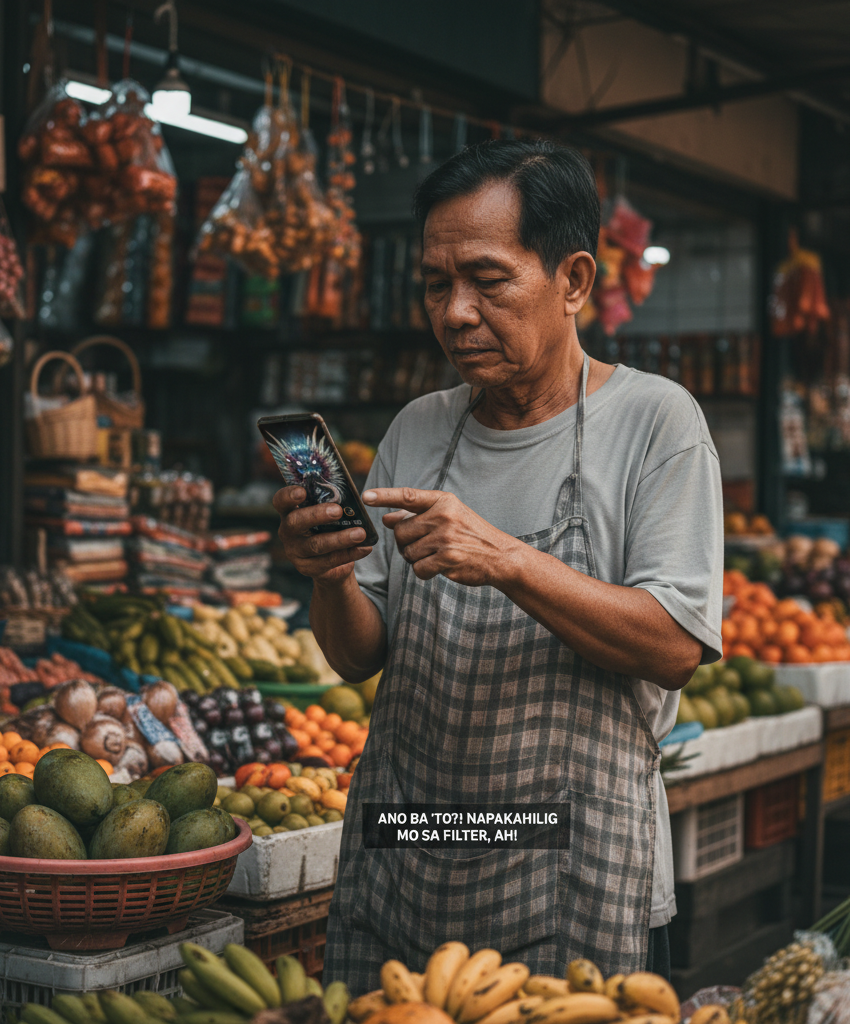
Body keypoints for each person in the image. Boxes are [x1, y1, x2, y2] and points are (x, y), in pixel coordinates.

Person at [272, 139, 723, 992]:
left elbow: (674, 647)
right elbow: (358, 656)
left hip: (575, 857)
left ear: (574, 280)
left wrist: (507, 558)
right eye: (435, 284)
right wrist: (330, 575)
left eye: (487, 280)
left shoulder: (656, 423)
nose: (455, 312)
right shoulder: (417, 428)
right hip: (411, 847)